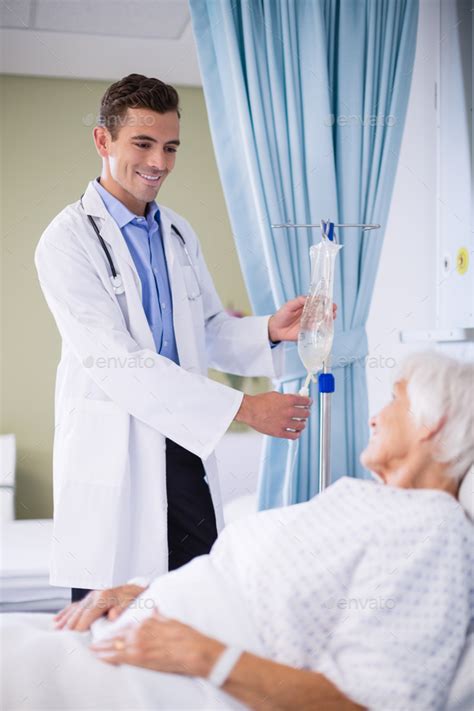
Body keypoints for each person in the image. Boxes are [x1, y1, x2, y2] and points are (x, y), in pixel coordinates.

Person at [1, 351, 472, 710]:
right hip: (145, 637)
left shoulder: (435, 528)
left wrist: (204, 656)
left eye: (394, 399)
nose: (374, 415)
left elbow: (371, 700)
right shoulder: (371, 500)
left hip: (179, 675)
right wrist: (141, 591)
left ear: (434, 422)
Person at [35, 74, 325, 602]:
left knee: (200, 602)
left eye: (170, 148)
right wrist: (244, 408)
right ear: (103, 141)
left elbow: (209, 330)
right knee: (108, 630)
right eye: (142, 144)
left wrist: (268, 329)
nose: (159, 163)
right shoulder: (67, 240)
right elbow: (115, 361)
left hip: (186, 442)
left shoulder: (178, 232)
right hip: (116, 450)